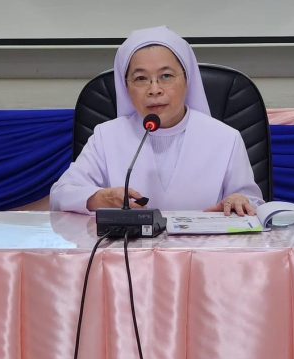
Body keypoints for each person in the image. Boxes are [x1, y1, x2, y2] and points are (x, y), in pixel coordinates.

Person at [50, 26, 264, 216]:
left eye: (166, 76)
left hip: (205, 247)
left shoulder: (225, 138)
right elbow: (61, 194)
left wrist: (238, 201)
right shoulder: (107, 136)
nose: (154, 89)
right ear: (126, 86)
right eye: (141, 78)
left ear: (187, 79)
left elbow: (252, 202)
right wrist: (99, 198)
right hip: (126, 248)